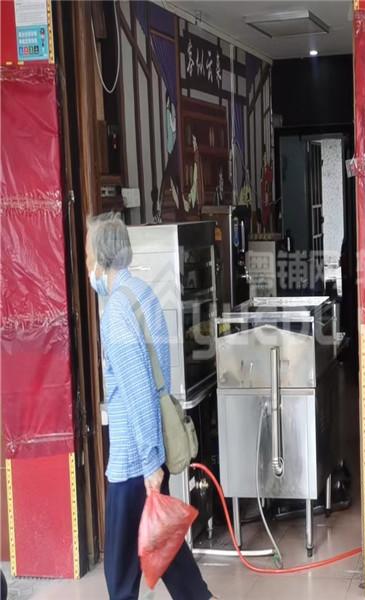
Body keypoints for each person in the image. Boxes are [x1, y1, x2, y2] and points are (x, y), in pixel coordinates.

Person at [86, 213, 214, 600]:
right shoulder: (142, 293)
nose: (87, 264)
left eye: (89, 254)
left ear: (101, 257)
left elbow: (139, 390)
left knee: (120, 567)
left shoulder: (116, 313)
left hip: (133, 458)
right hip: (150, 446)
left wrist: (149, 463)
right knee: (164, 543)